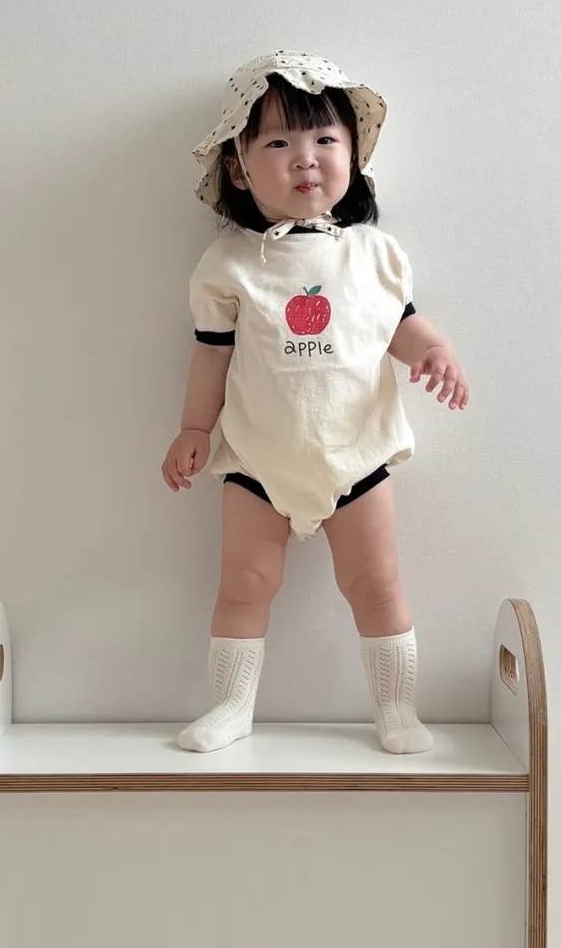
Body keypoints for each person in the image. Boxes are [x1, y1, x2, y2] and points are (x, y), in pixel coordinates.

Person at [162, 51, 469, 755]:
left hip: (357, 460)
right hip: (257, 463)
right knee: (244, 585)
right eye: (278, 142)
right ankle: (231, 707)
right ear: (239, 168)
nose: (306, 157)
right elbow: (211, 355)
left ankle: (397, 710)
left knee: (376, 585)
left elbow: (401, 327)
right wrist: (193, 428)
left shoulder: (374, 254)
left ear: (353, 154)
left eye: (325, 138)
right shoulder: (231, 264)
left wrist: (435, 352)